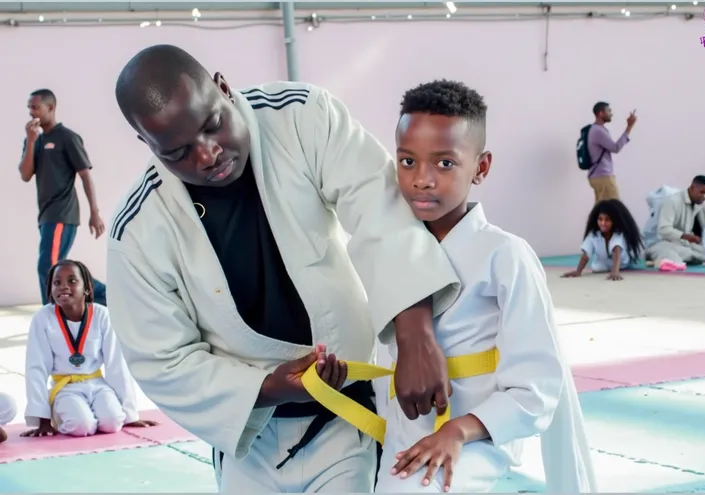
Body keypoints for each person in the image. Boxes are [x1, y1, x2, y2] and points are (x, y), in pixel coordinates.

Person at [107, 44, 460, 493]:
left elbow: (380, 209)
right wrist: (268, 388)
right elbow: (161, 360)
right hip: (251, 438)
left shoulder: (301, 116)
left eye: (212, 125)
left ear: (223, 88)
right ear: (147, 145)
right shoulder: (138, 229)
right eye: (177, 152)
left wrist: (415, 332)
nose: (208, 154)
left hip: (348, 414)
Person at [323, 80, 594, 493]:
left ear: (481, 168)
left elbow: (538, 388)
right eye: (407, 161)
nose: (422, 180)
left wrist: (457, 432)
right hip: (400, 432)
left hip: (477, 435)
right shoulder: (383, 251)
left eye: (445, 163)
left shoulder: (505, 255)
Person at [22, 259, 156, 438]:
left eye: (72, 281)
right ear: (50, 290)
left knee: (113, 423)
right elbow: (36, 368)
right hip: (65, 388)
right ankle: (60, 414)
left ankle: (92, 412)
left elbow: (116, 363)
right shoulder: (43, 318)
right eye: (57, 283)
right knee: (81, 427)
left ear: (86, 288)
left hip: (97, 384)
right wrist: (43, 419)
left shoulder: (103, 315)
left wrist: (130, 415)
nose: (63, 286)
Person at [18, 89, 108, 306]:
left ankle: (50, 313)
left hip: (62, 213)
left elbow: (85, 175)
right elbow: (25, 175)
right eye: (29, 108)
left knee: (47, 266)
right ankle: (106, 294)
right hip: (46, 215)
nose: (31, 112)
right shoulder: (35, 141)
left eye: (35, 107)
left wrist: (94, 213)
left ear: (50, 108)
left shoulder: (67, 138)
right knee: (57, 266)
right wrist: (31, 142)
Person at [562, 199, 643, 281]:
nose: (603, 223)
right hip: (603, 263)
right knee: (596, 268)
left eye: (607, 220)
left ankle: (616, 267)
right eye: (600, 219)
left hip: (621, 263)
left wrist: (615, 271)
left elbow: (617, 251)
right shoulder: (593, 235)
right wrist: (578, 271)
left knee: (621, 259)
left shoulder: (618, 234)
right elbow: (586, 255)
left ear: (614, 221)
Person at [644, 175, 705, 271]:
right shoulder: (672, 201)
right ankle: (666, 260)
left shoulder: (698, 205)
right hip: (662, 243)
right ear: (692, 187)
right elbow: (663, 229)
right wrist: (685, 236)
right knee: (665, 250)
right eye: (702, 192)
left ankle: (666, 260)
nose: (704, 197)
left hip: (682, 245)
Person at [586, 101, 637, 203]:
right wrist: (629, 127)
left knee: (601, 210)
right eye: (609, 111)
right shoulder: (598, 131)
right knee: (614, 208)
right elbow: (616, 148)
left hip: (596, 176)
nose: (611, 114)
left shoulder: (593, 129)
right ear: (601, 113)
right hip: (603, 177)